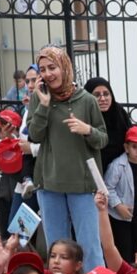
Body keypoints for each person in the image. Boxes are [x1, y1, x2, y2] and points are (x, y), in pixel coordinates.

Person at [24, 45, 108, 255]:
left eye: (52, 67)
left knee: (89, 246)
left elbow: (103, 139)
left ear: (64, 67)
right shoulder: (39, 97)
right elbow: (34, 136)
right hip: (49, 182)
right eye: (42, 70)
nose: (48, 74)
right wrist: (43, 106)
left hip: (82, 184)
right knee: (58, 249)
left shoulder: (87, 100)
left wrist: (87, 130)